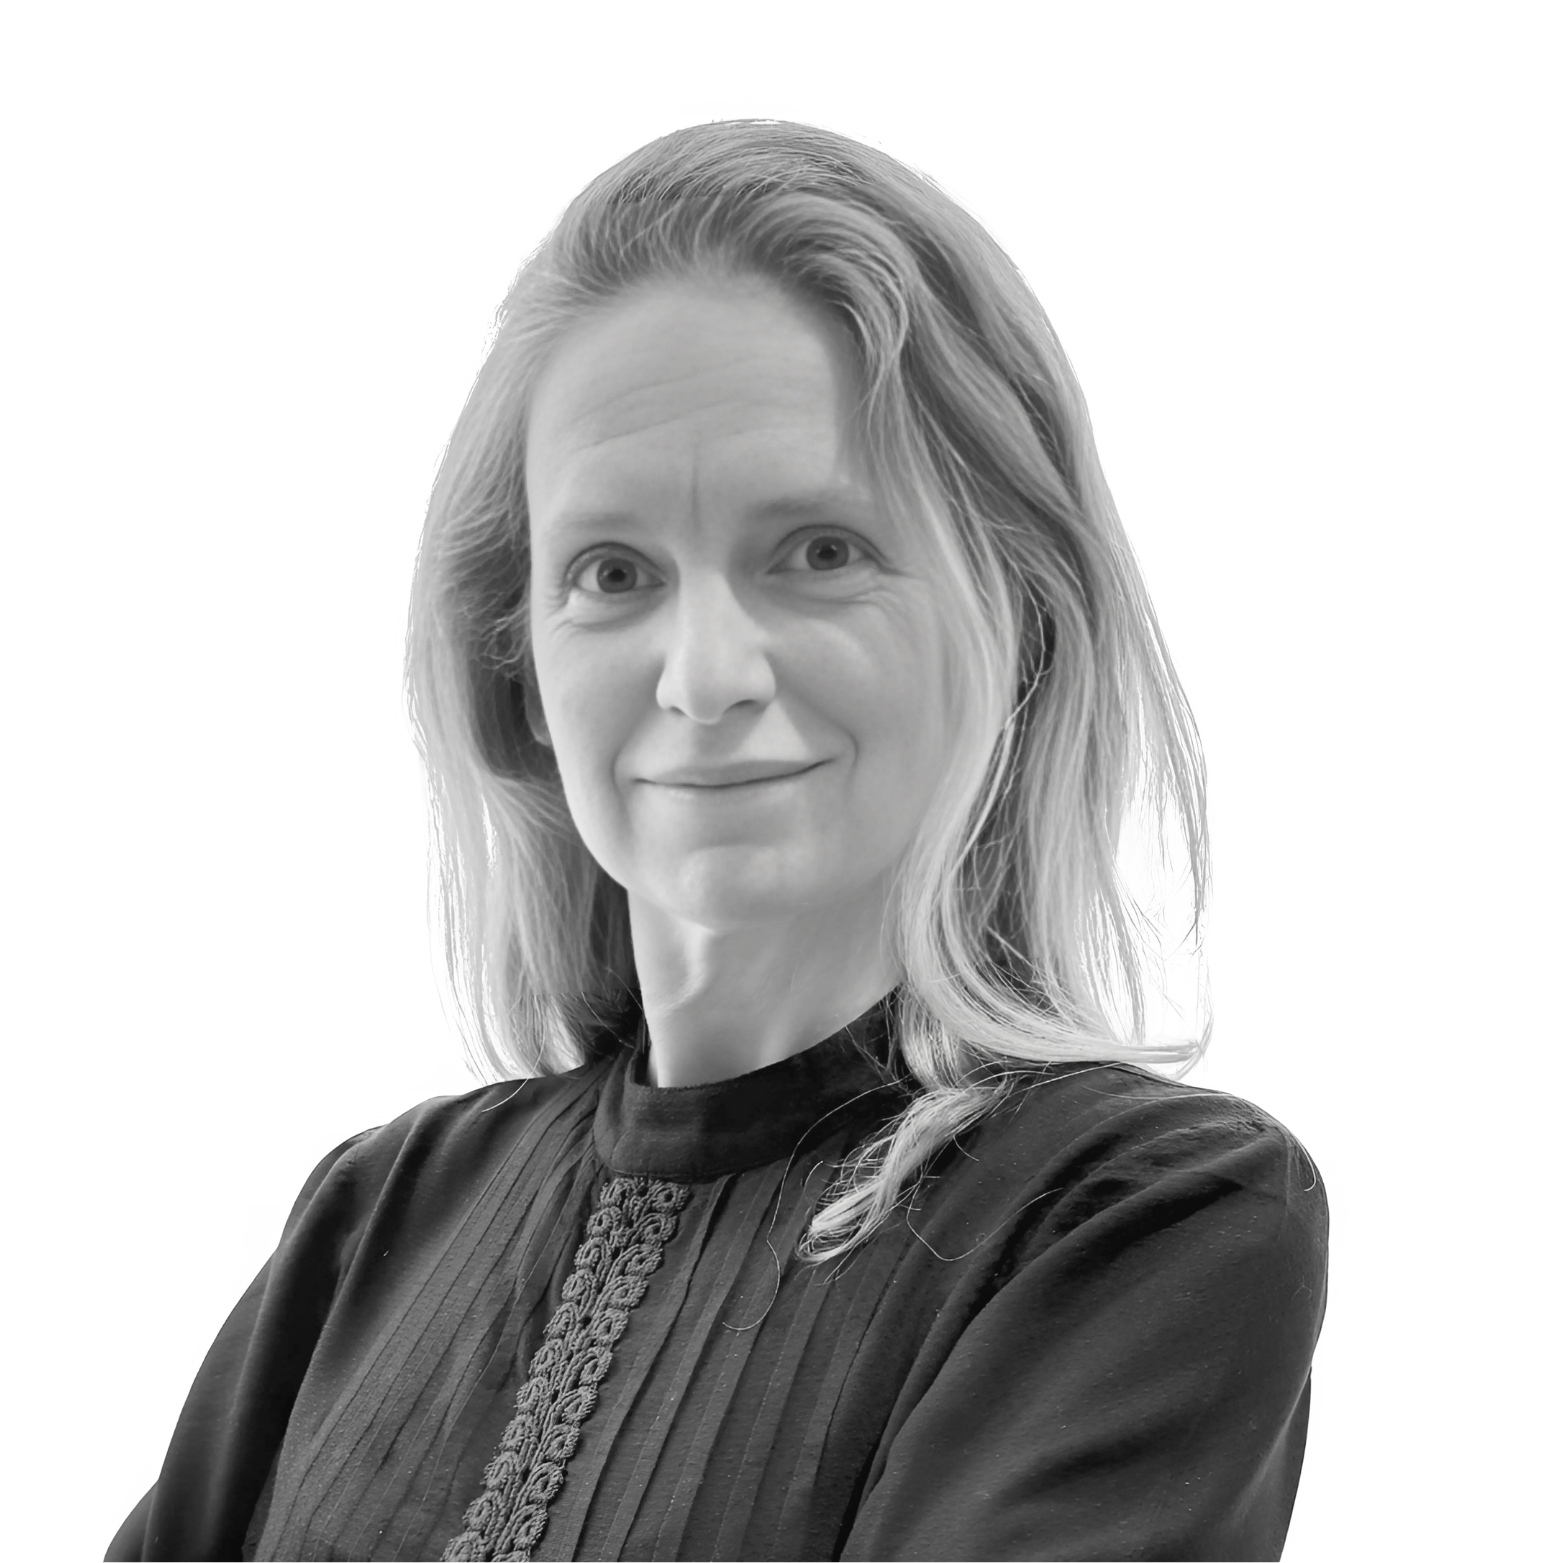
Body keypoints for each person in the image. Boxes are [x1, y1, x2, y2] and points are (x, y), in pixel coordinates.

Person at [107, 119, 1328, 1563]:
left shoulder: (1142, 1221)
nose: (703, 677)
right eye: (613, 572)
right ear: (522, 671)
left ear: (1020, 613)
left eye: (819, 551)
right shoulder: (375, 1217)